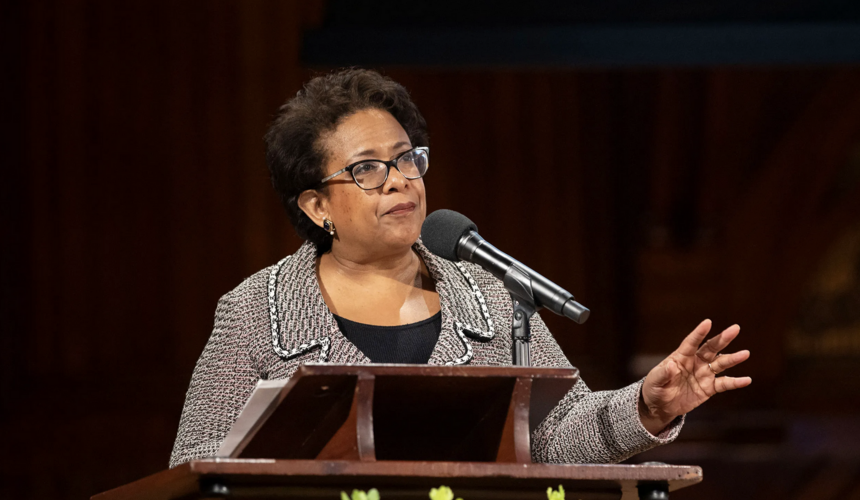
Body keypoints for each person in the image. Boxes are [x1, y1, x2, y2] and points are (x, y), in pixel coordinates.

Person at [168, 68, 751, 468]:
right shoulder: (257, 312)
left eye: (407, 160)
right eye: (367, 169)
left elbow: (555, 437)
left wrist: (648, 406)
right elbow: (197, 464)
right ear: (317, 206)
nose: (399, 181)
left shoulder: (490, 297)